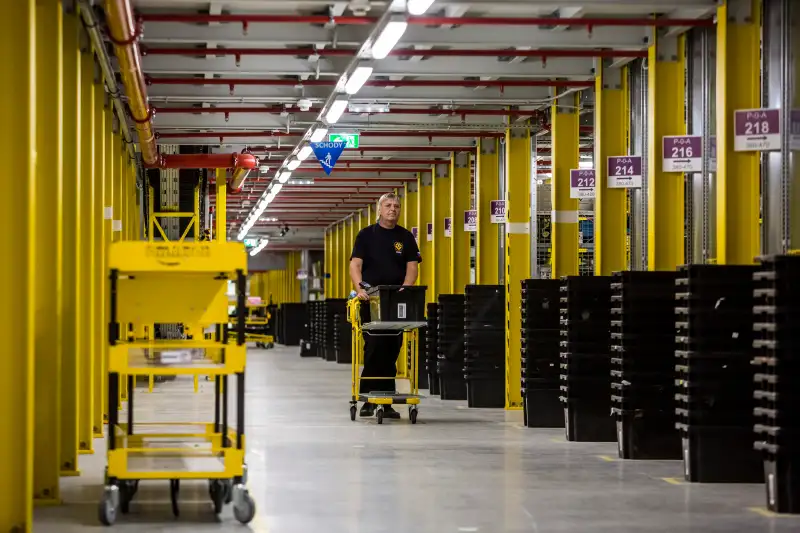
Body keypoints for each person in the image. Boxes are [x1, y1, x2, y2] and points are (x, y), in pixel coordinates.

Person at [349, 192, 421, 418]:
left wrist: (406, 289)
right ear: (379, 210)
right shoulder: (366, 235)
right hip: (370, 299)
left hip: (395, 300)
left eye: (396, 206)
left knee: (393, 347)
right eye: (388, 205)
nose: (393, 209)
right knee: (374, 346)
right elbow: (355, 265)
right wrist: (360, 289)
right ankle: (369, 398)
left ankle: (387, 401)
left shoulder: (406, 237)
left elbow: (412, 266)